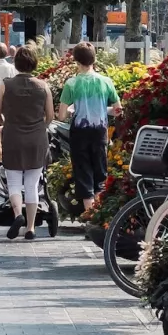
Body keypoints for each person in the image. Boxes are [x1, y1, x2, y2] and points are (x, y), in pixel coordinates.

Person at [0, 47, 55, 241]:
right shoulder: (43, 86)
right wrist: (39, 127)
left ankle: (17, 214)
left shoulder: (6, 85)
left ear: (16, 64)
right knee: (32, 184)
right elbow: (50, 116)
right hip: (37, 139)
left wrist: (7, 124)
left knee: (13, 182)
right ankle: (30, 228)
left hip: (12, 137)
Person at [58, 42, 122, 215]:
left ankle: (90, 216)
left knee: (84, 174)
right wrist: (103, 109)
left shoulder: (71, 83)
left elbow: (61, 116)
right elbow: (117, 110)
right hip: (100, 132)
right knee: (100, 174)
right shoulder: (106, 81)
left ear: (76, 60)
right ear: (94, 59)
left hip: (79, 133)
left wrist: (72, 109)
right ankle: (99, 218)